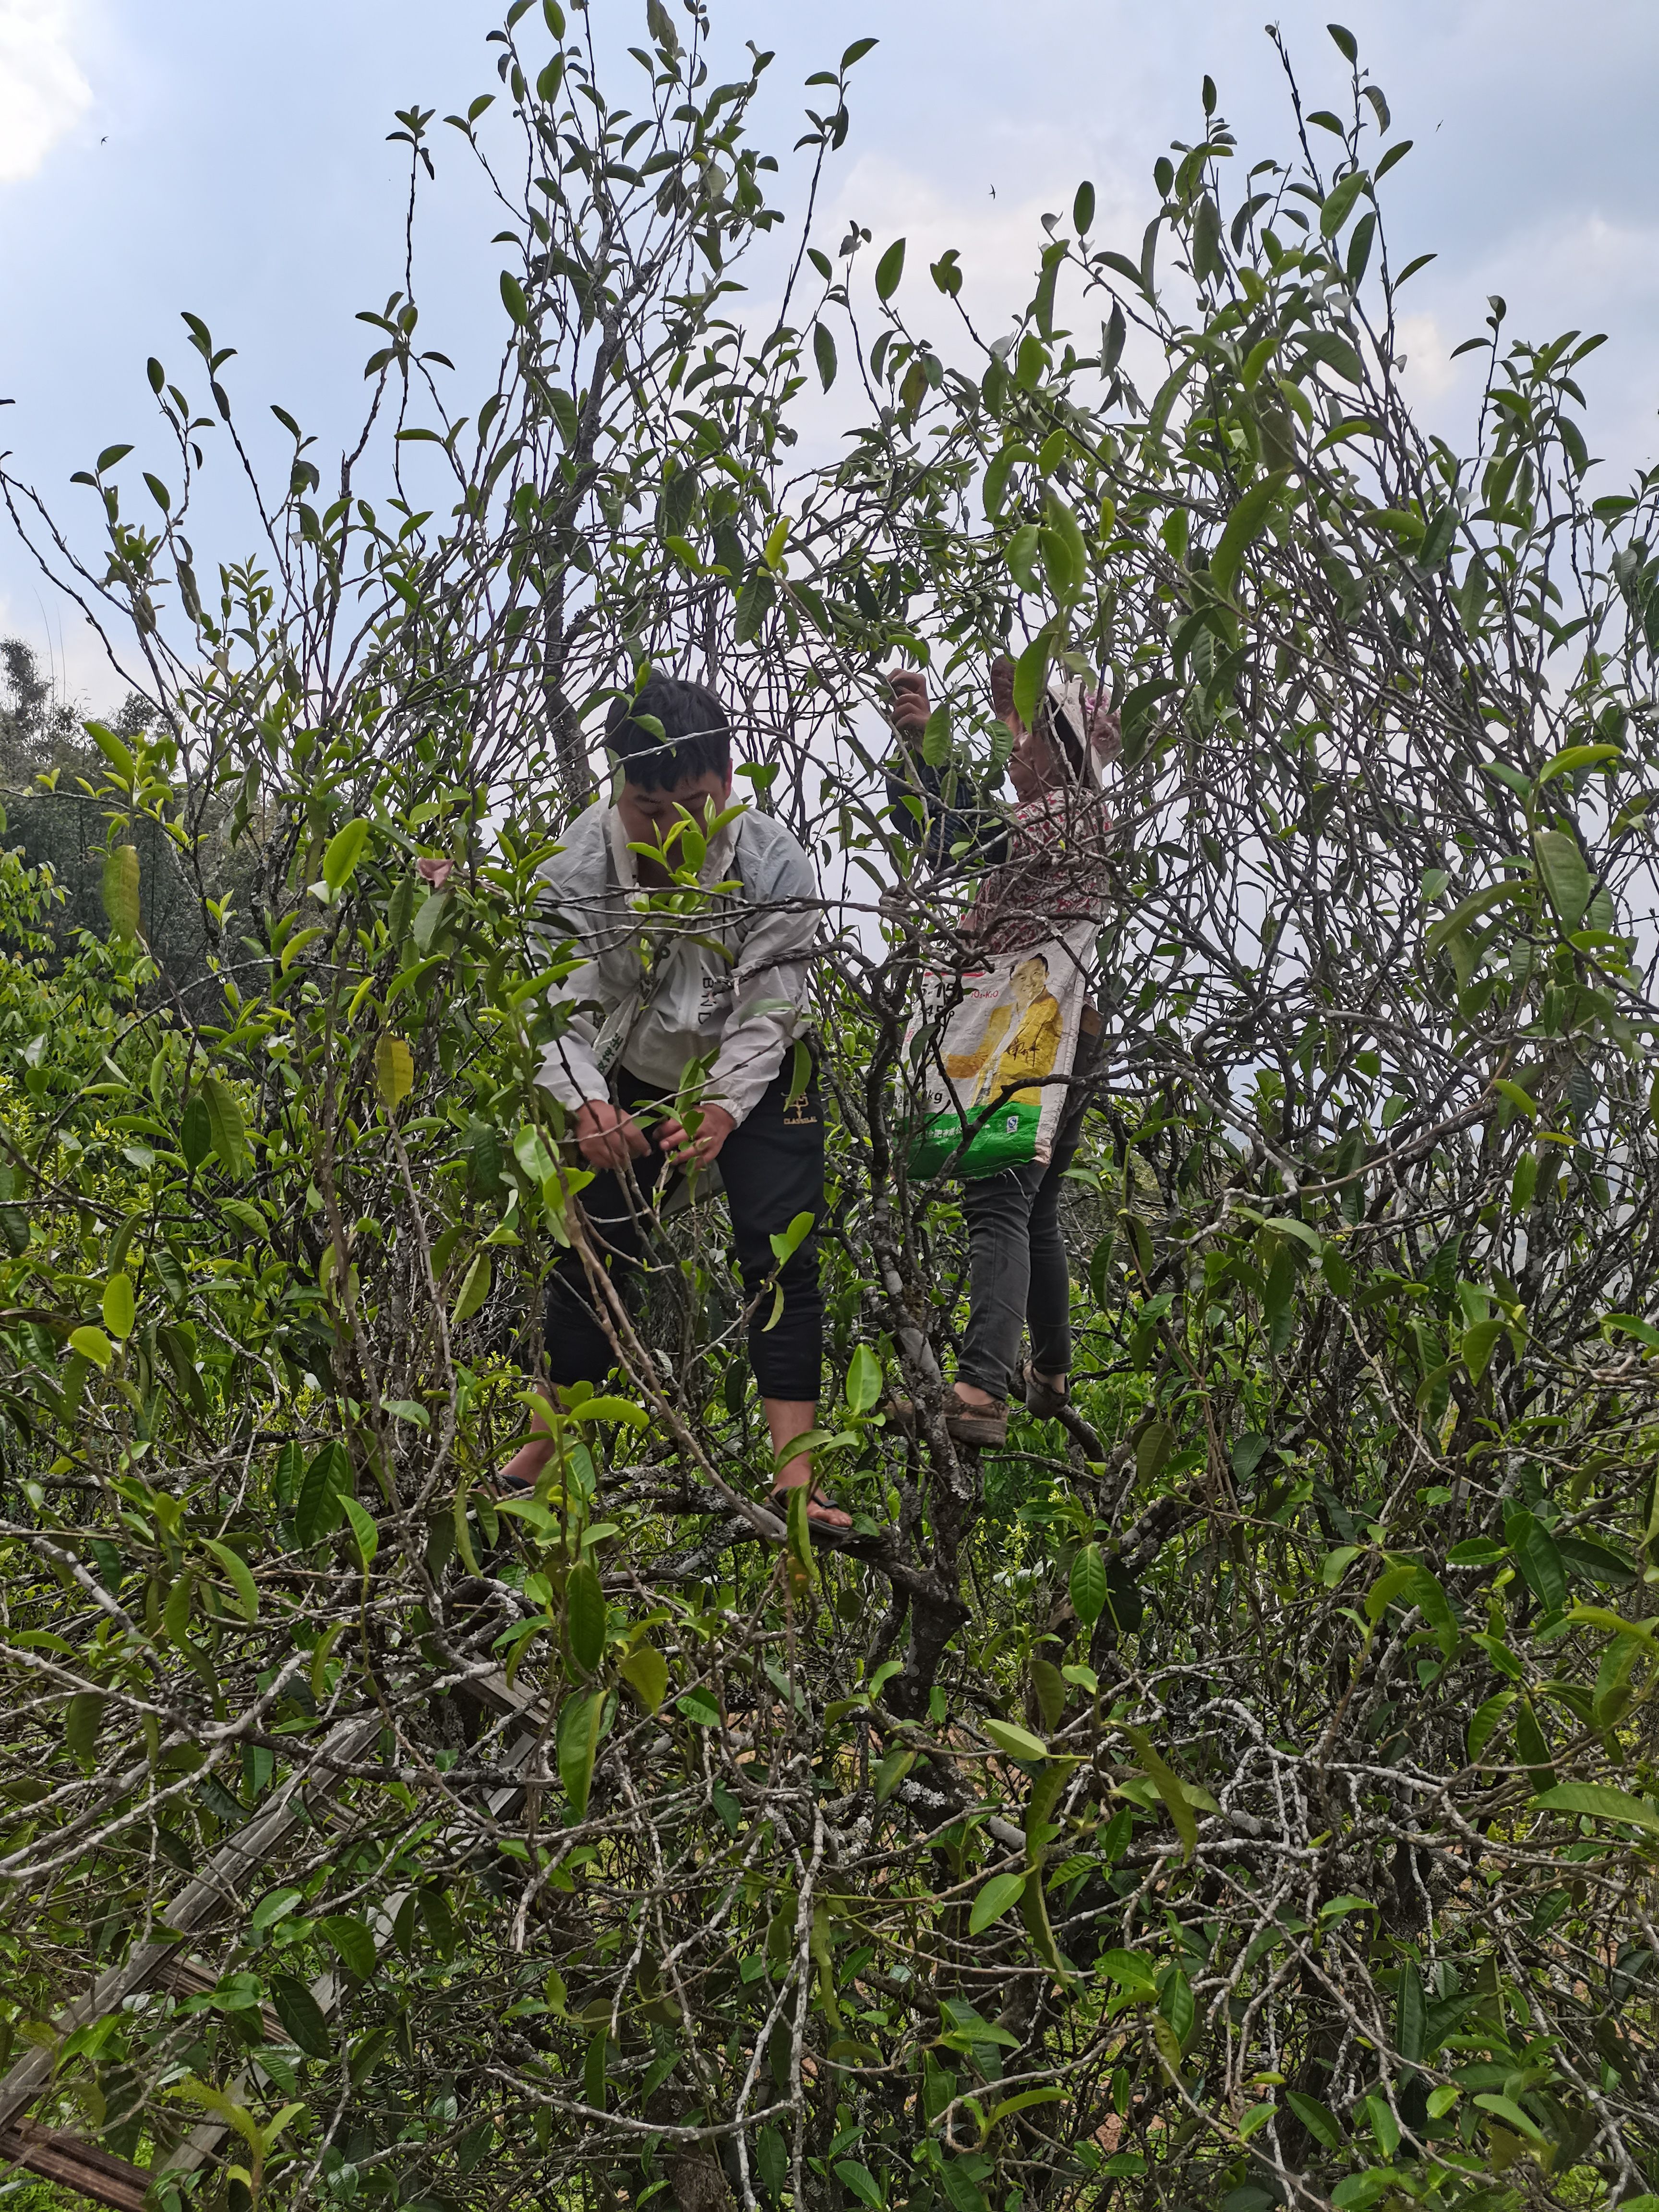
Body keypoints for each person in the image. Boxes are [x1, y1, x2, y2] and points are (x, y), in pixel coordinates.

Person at [496, 671, 851, 1533]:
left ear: (726, 785)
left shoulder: (774, 862)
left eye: (691, 805)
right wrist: (585, 1103)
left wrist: (725, 1107)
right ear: (621, 789)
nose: (670, 830)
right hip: (633, 1069)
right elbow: (548, 1001)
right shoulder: (578, 863)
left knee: (779, 1253)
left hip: (760, 1075)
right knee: (596, 1249)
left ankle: (795, 1475)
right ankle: (536, 1453)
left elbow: (772, 1007)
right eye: (648, 810)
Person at [888, 658, 1119, 1449]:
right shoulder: (1065, 817)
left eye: (1025, 735)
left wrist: (926, 746)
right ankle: (1050, 1370)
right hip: (1064, 1033)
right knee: (1034, 1202)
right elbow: (938, 830)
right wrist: (918, 752)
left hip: (1034, 1035)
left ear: (1059, 748)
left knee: (998, 1201)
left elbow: (958, 838)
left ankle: (982, 1389)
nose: (1012, 749)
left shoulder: (1072, 816)